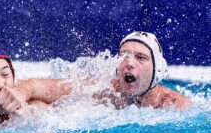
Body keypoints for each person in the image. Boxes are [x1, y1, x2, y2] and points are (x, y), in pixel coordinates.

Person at [14, 31, 192, 109]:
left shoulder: (175, 105)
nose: (129, 63)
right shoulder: (102, 89)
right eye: (124, 56)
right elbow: (34, 85)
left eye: (141, 57)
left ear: (157, 71)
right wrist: (20, 93)